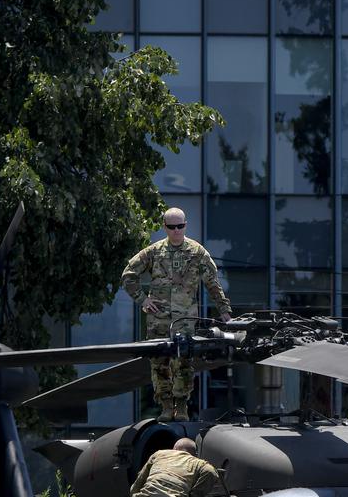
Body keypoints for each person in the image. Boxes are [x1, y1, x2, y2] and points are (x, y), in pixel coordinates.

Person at [122, 207, 233, 421]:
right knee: (159, 362)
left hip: (185, 320)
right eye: (171, 227)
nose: (176, 231)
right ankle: (165, 406)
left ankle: (181, 406)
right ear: (165, 227)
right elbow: (128, 275)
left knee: (183, 362)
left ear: (185, 225)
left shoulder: (197, 252)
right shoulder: (153, 252)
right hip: (159, 320)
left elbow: (213, 284)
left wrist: (225, 311)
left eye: (180, 226)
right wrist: (143, 299)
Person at [129, 438, 222, 497]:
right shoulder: (198, 463)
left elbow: (140, 480)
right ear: (195, 454)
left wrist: (134, 493)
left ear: (174, 449)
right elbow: (211, 472)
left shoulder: (159, 454)